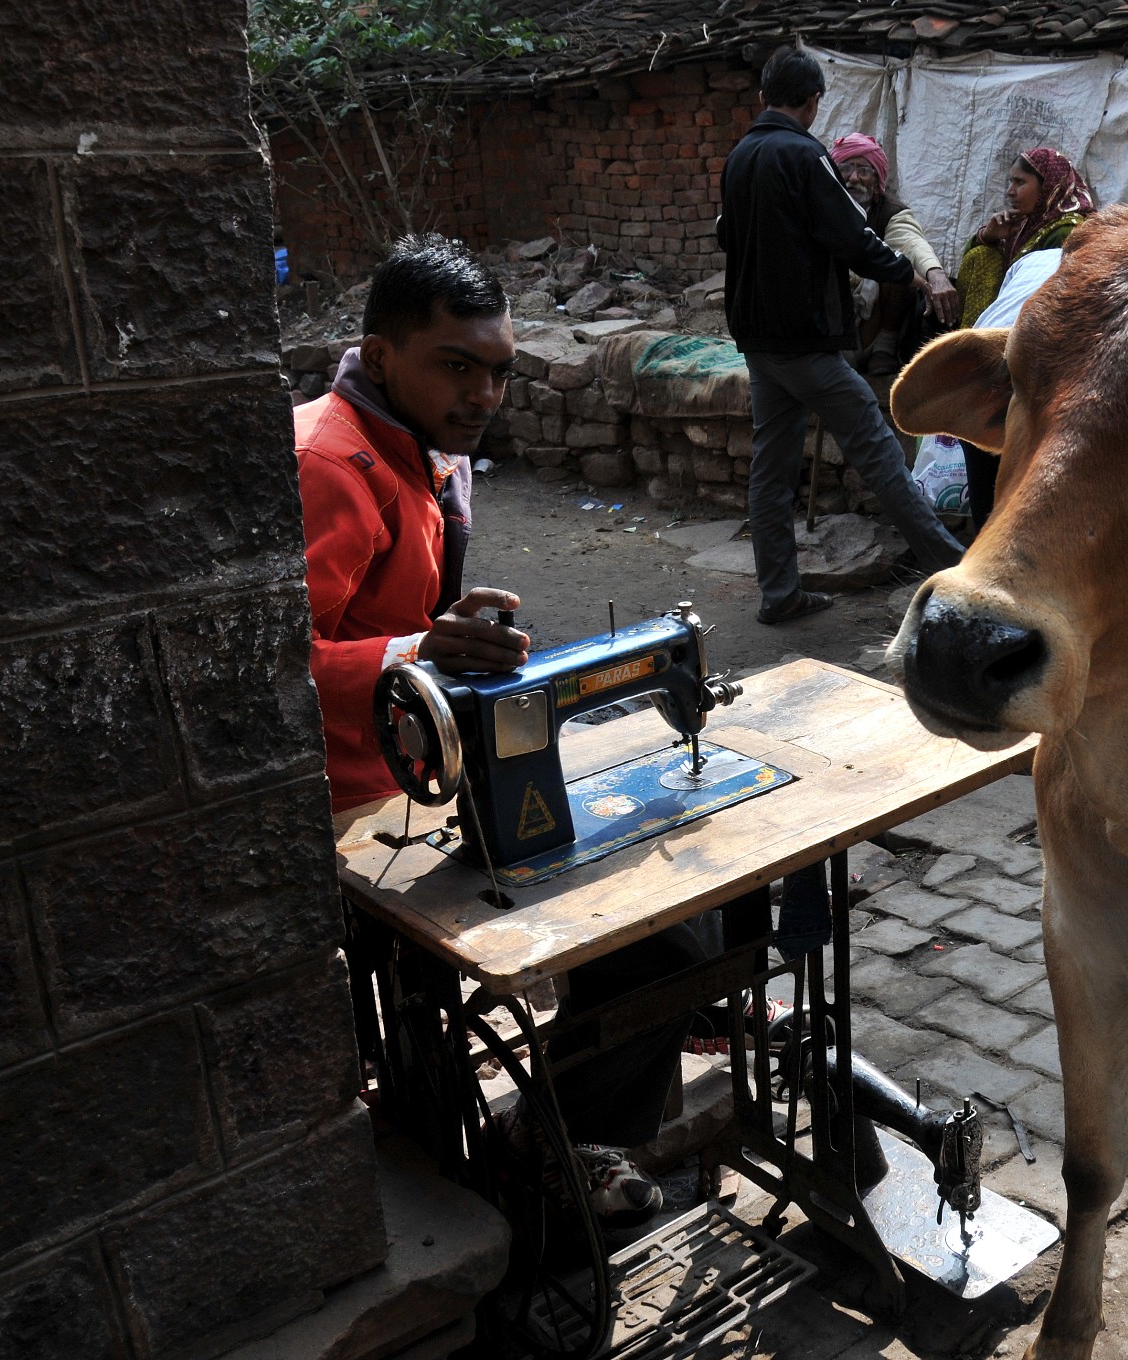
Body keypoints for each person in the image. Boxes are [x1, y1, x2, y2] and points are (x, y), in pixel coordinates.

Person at [296, 234, 687, 1224]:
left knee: (676, 910)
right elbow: (275, 665)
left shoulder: (414, 450)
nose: (482, 394)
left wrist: (442, 637)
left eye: (499, 372)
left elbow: (392, 616)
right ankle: (541, 1141)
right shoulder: (332, 467)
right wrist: (414, 656)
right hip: (362, 808)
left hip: (416, 766)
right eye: (456, 367)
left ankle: (572, 1122)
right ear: (382, 359)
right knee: (661, 939)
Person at [719, 47, 965, 624]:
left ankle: (780, 593)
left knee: (771, 472)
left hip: (759, 341)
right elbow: (851, 238)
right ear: (811, 102)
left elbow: (729, 235)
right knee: (880, 453)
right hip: (803, 341)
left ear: (762, 97)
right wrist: (909, 274)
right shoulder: (806, 156)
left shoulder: (740, 157)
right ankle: (956, 573)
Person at [956, 148, 1096, 531]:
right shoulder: (1023, 227)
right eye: (1010, 182)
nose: (1010, 191)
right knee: (979, 258)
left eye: (1020, 182)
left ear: (1048, 185)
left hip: (1048, 356)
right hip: (1005, 350)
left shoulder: (1071, 232)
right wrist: (988, 236)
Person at [828, 132, 960, 372]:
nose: (853, 177)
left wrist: (935, 274)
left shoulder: (889, 210)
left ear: (877, 182)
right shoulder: (823, 206)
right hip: (833, 321)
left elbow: (911, 241)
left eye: (864, 171)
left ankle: (884, 349)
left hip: (874, 323)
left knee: (899, 267)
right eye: (845, 168)